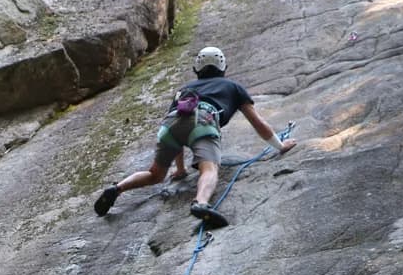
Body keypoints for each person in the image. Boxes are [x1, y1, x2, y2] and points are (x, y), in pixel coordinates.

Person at [93, 45, 296, 227]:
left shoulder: (185, 89)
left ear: (197, 69)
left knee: (155, 174)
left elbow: (179, 128)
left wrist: (180, 169)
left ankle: (116, 188)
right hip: (203, 121)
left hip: (170, 125)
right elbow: (258, 123)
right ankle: (201, 203)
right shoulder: (233, 87)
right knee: (209, 169)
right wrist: (280, 146)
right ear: (223, 68)